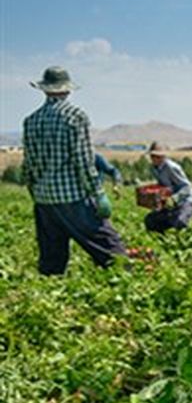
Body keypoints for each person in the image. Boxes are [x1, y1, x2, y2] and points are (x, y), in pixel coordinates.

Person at [21, 66, 126, 273]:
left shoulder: (30, 120)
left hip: (44, 199)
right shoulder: (75, 116)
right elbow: (83, 161)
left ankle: (50, 296)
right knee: (109, 249)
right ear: (67, 90)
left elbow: (29, 164)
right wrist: (98, 194)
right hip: (72, 197)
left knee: (52, 257)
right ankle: (127, 281)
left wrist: (34, 191)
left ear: (45, 89)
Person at [145, 142, 192, 232]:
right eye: (152, 156)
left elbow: (186, 187)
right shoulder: (154, 168)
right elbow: (164, 185)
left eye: (155, 156)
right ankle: (163, 243)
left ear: (161, 156)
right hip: (171, 202)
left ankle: (183, 242)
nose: (153, 158)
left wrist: (174, 198)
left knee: (180, 222)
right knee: (151, 221)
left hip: (186, 200)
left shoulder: (171, 167)